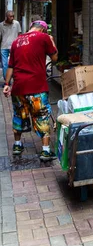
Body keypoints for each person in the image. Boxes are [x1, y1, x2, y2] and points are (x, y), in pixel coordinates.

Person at [3, 21, 58, 161]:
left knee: (18, 115)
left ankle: (17, 145)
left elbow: (11, 66)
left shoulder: (16, 41)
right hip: (37, 87)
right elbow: (55, 58)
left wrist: (7, 84)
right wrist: (51, 41)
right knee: (42, 116)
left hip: (18, 88)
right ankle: (45, 151)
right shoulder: (43, 37)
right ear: (43, 30)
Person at [0, 11, 21, 82]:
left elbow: (19, 34)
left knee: (15, 64)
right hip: (4, 47)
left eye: (13, 16)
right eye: (10, 16)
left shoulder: (16, 23)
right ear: (6, 17)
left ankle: (16, 79)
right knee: (4, 64)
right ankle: (7, 81)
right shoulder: (1, 25)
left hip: (14, 47)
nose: (12, 18)